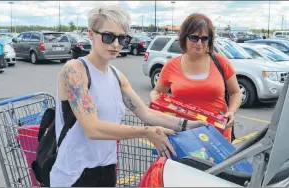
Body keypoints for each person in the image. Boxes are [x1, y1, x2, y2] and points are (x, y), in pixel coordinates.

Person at [50, 6, 207, 187]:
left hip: (107, 168)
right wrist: (145, 132)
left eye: (122, 38)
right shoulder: (75, 70)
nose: (116, 44)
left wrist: (189, 124)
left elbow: (146, 113)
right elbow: (92, 128)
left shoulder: (116, 76)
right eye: (108, 37)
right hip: (74, 174)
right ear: (91, 34)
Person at [149, 13, 242, 142]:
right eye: (194, 38)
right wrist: (155, 99)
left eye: (204, 38)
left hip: (217, 134)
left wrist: (231, 112)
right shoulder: (171, 65)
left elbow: (236, 93)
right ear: (184, 38)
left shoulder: (220, 62)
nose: (199, 43)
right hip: (183, 135)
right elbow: (157, 92)